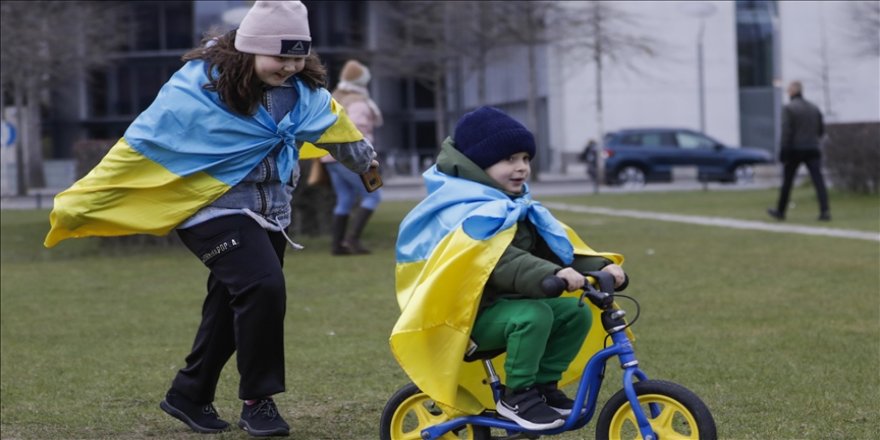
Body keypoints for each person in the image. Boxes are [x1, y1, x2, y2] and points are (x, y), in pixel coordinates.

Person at [44, 1, 377, 437]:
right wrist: (85, 199)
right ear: (250, 48)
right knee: (263, 286)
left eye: (298, 57)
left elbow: (338, 131)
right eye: (281, 57)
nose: (290, 67)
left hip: (271, 214)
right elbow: (144, 140)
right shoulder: (201, 88)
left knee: (231, 304)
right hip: (208, 208)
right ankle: (259, 400)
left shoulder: (305, 94)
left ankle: (189, 393)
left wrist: (368, 168)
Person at [391, 107, 627, 430]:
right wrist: (550, 275)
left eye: (526, 159)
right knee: (534, 315)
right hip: (466, 318)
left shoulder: (513, 204)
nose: (521, 168)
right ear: (478, 165)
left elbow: (556, 249)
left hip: (508, 307)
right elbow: (498, 261)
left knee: (575, 311)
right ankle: (518, 397)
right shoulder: (467, 212)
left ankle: (545, 387)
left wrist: (601, 267)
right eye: (510, 160)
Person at [323, 59, 384, 255]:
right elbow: (356, 132)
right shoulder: (358, 102)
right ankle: (352, 240)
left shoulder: (336, 97)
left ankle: (337, 245)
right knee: (373, 196)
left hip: (329, 157)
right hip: (351, 157)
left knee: (345, 199)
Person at [768, 80, 831, 221]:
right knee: (818, 181)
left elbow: (786, 132)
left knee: (787, 182)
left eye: (789, 90)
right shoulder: (814, 108)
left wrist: (783, 151)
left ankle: (780, 211)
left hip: (795, 150)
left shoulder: (789, 108)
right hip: (813, 148)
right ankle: (825, 211)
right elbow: (821, 130)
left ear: (793, 91)